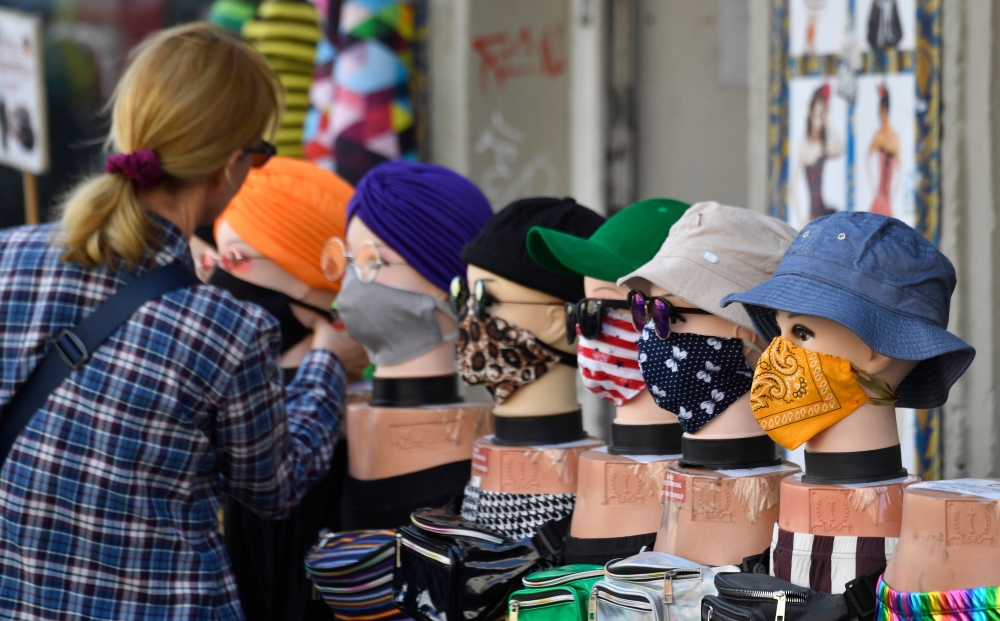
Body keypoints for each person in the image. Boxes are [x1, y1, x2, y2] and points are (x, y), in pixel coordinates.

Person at [0, 23, 345, 620]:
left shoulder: (8, 256)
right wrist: (329, 363)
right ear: (233, 164)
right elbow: (273, 487)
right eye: (259, 156)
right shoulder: (225, 328)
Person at [206, 156, 366, 621]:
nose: (218, 276)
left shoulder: (314, 406)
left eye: (233, 257)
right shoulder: (231, 382)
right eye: (212, 257)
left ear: (311, 273)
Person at [789, 83, 843, 226]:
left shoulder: (822, 146)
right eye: (817, 116)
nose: (819, 123)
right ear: (810, 116)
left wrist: (829, 121)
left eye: (822, 117)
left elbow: (840, 148)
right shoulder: (804, 145)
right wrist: (800, 220)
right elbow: (793, 186)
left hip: (824, 214)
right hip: (812, 217)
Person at [867, 84, 900, 218]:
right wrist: (873, 186)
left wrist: (894, 193)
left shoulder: (894, 137)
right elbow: (867, 160)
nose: (882, 115)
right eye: (880, 111)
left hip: (888, 197)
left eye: (884, 111)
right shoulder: (878, 135)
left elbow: (900, 168)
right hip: (879, 195)